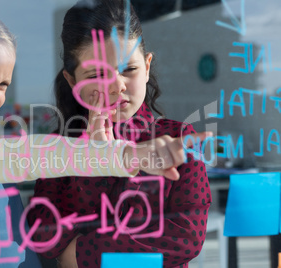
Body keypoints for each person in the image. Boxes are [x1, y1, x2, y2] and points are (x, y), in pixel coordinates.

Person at [0, 1, 209, 267]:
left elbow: (184, 237)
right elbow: (23, 158)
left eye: (2, 85)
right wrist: (118, 156)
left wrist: (81, 252)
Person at [27, 0, 212, 267]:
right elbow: (43, 232)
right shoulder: (60, 146)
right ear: (73, 81)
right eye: (97, 74)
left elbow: (186, 237)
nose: (117, 86)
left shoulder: (177, 138)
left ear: (147, 67)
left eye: (129, 70)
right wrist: (93, 161)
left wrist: (80, 254)